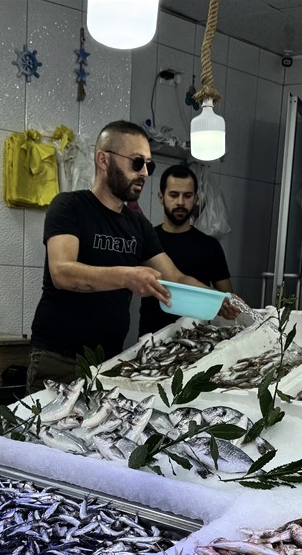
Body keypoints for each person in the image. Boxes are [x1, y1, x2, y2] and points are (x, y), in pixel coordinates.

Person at [27, 120, 239, 392]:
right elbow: (62, 272)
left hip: (109, 360)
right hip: (59, 358)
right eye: (137, 163)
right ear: (103, 160)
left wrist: (219, 299)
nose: (144, 173)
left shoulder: (137, 225)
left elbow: (175, 277)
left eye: (149, 165)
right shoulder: (70, 206)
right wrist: (127, 276)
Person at [138, 165, 232, 335]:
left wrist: (229, 303)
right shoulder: (147, 239)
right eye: (174, 195)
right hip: (151, 338)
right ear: (161, 197)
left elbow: (226, 298)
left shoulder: (210, 246)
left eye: (187, 196)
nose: (180, 202)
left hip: (197, 338)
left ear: (195, 198)